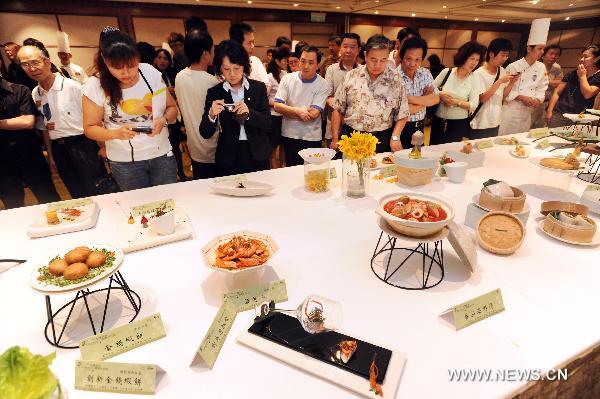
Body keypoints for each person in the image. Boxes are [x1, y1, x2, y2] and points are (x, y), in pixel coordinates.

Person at [82, 27, 178, 191]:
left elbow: (172, 108)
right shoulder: (95, 85)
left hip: (161, 155)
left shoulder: (150, 73)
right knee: (140, 207)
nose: (126, 73)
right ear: (105, 61)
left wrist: (163, 120)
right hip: (125, 162)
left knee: (169, 202)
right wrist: (116, 133)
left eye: (132, 65)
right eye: (117, 67)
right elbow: (90, 128)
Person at [18, 45, 108, 199]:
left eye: (35, 62)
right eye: (25, 65)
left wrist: (103, 146)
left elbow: (94, 118)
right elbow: (44, 128)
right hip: (59, 150)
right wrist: (51, 156)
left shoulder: (71, 86)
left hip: (83, 145)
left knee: (97, 190)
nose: (31, 69)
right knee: (76, 193)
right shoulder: (35, 93)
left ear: (47, 61)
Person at [200, 40, 271, 176]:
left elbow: (268, 123)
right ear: (220, 68)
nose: (232, 74)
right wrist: (211, 115)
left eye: (236, 68)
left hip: (257, 154)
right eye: (226, 69)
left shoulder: (258, 88)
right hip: (228, 156)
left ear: (244, 66)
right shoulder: (215, 92)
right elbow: (205, 133)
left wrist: (249, 113)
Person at [331, 34, 409, 153]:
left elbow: (402, 113)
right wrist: (335, 138)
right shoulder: (351, 76)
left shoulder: (396, 80)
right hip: (351, 136)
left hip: (380, 139)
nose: (378, 65)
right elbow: (337, 109)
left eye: (383, 60)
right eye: (373, 59)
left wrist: (395, 137)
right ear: (365, 55)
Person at [0, 74, 60, 208]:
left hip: (30, 157)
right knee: (13, 206)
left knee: (50, 200)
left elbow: (28, 121)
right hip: (2, 165)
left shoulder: (19, 90)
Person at [175, 29, 219, 180]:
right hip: (214, 149)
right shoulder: (213, 82)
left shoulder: (179, 78)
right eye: (212, 50)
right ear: (205, 54)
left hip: (194, 148)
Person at [274, 45, 328, 166]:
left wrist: (288, 110)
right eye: (303, 61)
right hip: (289, 133)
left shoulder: (323, 84)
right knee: (291, 170)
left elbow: (314, 113)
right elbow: (277, 106)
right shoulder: (287, 79)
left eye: (311, 62)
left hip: (312, 136)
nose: (305, 66)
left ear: (318, 64)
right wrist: (299, 112)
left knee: (312, 171)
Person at [499, 18, 550, 136]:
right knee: (504, 140)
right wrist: (520, 97)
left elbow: (542, 87)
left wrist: (538, 99)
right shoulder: (514, 66)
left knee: (520, 141)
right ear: (529, 48)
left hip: (528, 112)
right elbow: (504, 89)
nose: (542, 52)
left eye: (543, 49)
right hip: (510, 111)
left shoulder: (541, 67)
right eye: (539, 48)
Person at [430, 41, 485, 145]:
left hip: (458, 123)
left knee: (451, 154)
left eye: (477, 60)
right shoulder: (447, 72)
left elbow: (473, 105)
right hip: (438, 120)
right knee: (433, 150)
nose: (474, 63)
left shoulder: (475, 78)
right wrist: (441, 95)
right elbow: (430, 90)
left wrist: (455, 102)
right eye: (471, 58)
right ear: (463, 57)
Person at [469, 38, 519, 139]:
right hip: (480, 121)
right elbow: (482, 98)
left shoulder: (503, 71)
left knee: (490, 152)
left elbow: (503, 96)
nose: (505, 58)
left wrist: (511, 83)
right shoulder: (478, 73)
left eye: (507, 55)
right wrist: (499, 81)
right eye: (502, 55)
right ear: (491, 54)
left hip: (495, 121)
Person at [397, 37, 440, 149]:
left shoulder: (425, 73)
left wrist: (408, 99)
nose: (412, 63)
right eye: (409, 58)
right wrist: (425, 100)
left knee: (417, 161)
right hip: (399, 128)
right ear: (402, 56)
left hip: (420, 126)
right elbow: (400, 110)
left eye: (417, 60)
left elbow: (435, 99)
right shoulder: (394, 76)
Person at [547, 44, 600, 128]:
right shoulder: (573, 73)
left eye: (586, 57)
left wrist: (582, 76)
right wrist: (550, 111)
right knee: (551, 139)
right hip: (560, 113)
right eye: (582, 56)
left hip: (580, 118)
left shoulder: (598, 76)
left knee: (572, 140)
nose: (581, 59)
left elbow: (587, 94)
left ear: (596, 59)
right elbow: (557, 92)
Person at [324, 32, 361, 148]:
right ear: (340, 48)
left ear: (358, 50)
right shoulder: (331, 70)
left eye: (352, 47)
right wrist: (342, 110)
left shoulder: (363, 71)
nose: (348, 50)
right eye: (345, 46)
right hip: (333, 125)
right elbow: (328, 96)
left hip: (355, 126)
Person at [154, 48, 186, 181]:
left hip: (173, 114)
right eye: (160, 58)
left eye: (165, 58)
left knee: (176, 146)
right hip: (158, 116)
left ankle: (181, 174)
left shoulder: (171, 75)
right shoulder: (153, 76)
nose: (162, 61)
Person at [266, 47, 290, 168]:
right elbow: (264, 98)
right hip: (274, 116)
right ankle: (274, 169)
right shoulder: (270, 77)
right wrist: (277, 103)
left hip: (285, 115)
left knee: (284, 145)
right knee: (273, 146)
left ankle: (283, 169)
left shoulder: (286, 75)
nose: (287, 63)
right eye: (285, 61)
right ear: (277, 61)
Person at [229, 22, 270, 92]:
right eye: (249, 43)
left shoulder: (255, 61)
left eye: (253, 42)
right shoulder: (226, 64)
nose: (252, 46)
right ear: (237, 44)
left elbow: (267, 86)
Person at [531, 44, 563, 128]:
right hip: (533, 102)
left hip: (548, 103)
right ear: (543, 55)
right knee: (528, 126)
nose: (554, 56)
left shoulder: (557, 68)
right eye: (551, 53)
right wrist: (551, 82)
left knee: (541, 128)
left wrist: (545, 81)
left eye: (557, 54)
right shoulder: (535, 66)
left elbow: (559, 83)